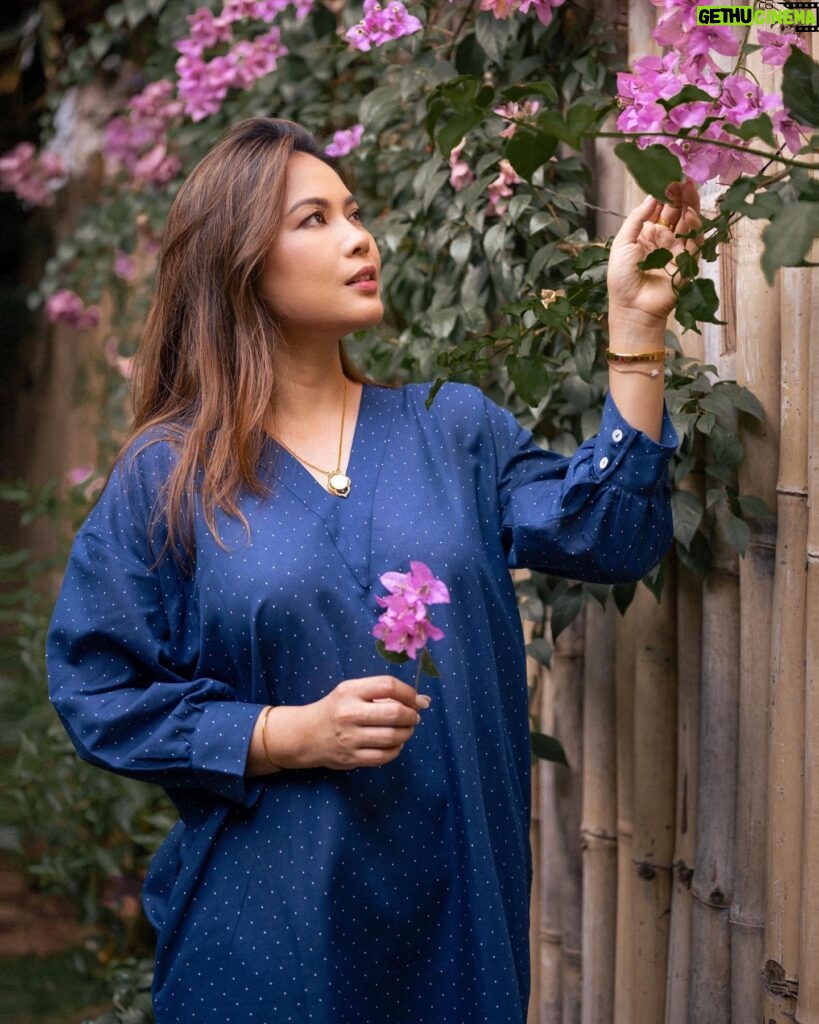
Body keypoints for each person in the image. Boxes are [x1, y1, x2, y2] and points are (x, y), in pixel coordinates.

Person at [46, 117, 699, 1024]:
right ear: (238, 262)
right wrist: (280, 734)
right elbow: (96, 689)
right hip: (267, 938)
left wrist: (633, 331)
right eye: (313, 219)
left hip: (457, 920)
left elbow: (610, 536)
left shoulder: (453, 429)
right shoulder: (170, 476)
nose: (360, 236)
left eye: (353, 211)